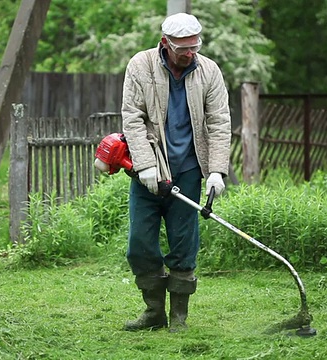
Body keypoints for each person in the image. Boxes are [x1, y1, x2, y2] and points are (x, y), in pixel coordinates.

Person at [120, 12, 231, 332]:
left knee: (184, 244)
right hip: (149, 171)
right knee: (139, 243)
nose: (190, 54)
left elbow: (220, 123)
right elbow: (132, 118)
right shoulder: (140, 66)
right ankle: (154, 311)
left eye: (195, 47)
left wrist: (216, 171)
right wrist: (144, 165)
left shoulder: (209, 71)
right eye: (183, 48)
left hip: (188, 171)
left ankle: (179, 317)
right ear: (166, 44)